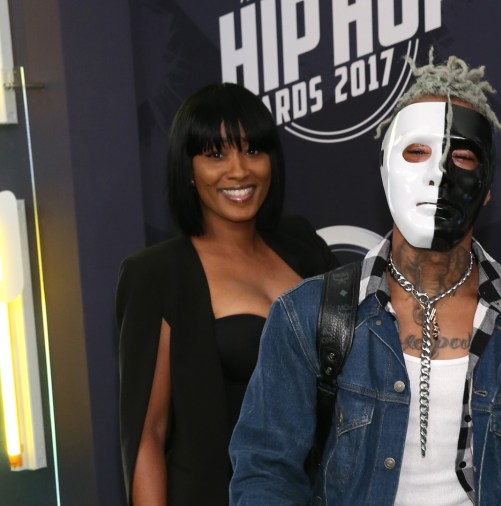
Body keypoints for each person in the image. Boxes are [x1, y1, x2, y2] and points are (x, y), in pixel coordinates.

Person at [229, 51, 501, 505]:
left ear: (487, 192)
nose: (438, 176)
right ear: (384, 172)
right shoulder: (307, 317)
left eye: (462, 157)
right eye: (417, 151)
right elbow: (266, 474)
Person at [116, 82, 338, 505]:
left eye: (253, 150)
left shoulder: (302, 243)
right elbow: (148, 434)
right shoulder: (156, 274)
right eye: (216, 154)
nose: (239, 170)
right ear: (188, 168)